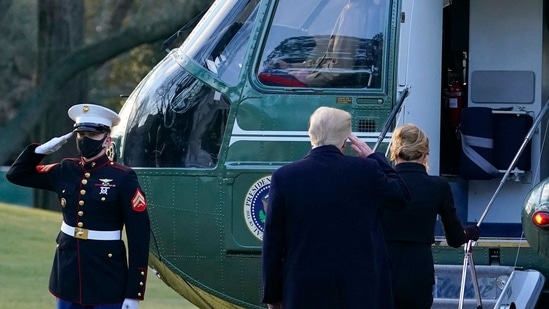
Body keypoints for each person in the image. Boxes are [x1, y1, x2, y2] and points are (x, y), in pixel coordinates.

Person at [261, 106, 411, 309]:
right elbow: (401, 197)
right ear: (345, 140)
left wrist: (272, 295)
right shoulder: (366, 171)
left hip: (304, 291)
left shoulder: (285, 177)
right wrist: (375, 158)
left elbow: (273, 243)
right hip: (360, 292)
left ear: (311, 134)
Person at [6, 103, 150, 309]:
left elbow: (139, 237)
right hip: (67, 275)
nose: (84, 140)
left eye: (91, 135)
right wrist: (39, 151)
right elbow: (16, 174)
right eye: (81, 134)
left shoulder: (123, 178)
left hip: (106, 277)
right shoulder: (66, 169)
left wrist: (134, 293)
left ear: (107, 139)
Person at [380, 123, 480, 309]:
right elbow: (455, 239)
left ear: (394, 151)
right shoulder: (438, 186)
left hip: (382, 268)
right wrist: (472, 232)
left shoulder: (382, 182)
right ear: (424, 152)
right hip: (418, 270)